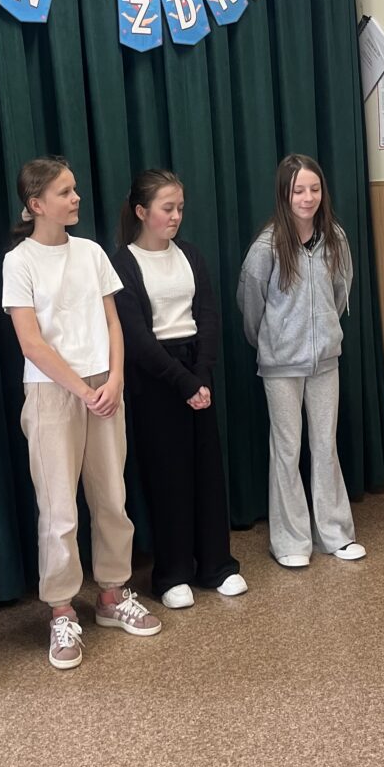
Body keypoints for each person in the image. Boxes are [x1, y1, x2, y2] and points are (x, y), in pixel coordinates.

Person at [2, 156, 160, 670]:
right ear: (36, 204)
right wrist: (80, 389)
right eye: (65, 192)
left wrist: (113, 380)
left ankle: (112, 595)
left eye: (75, 190)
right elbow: (31, 341)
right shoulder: (19, 262)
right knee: (59, 510)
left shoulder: (91, 253)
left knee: (112, 496)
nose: (76, 199)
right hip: (52, 393)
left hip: (104, 387)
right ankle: (62, 609)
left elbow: (113, 323)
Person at [112, 169, 246, 609]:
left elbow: (207, 315)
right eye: (167, 208)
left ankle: (217, 565)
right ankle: (172, 573)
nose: (175, 217)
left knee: (207, 471)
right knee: (167, 475)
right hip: (156, 378)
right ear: (141, 211)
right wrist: (184, 382)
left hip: (195, 371)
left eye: (180, 209)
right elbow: (136, 337)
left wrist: (201, 375)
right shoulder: (123, 262)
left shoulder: (190, 254)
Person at [237, 153, 366, 567]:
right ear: (284, 194)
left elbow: (340, 292)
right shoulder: (266, 247)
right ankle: (291, 542)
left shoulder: (335, 239)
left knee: (325, 445)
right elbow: (251, 306)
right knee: (287, 449)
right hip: (281, 365)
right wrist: (274, 342)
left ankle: (335, 533)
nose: (307, 198)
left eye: (314, 189)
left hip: (325, 361)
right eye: (298, 190)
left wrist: (324, 334)